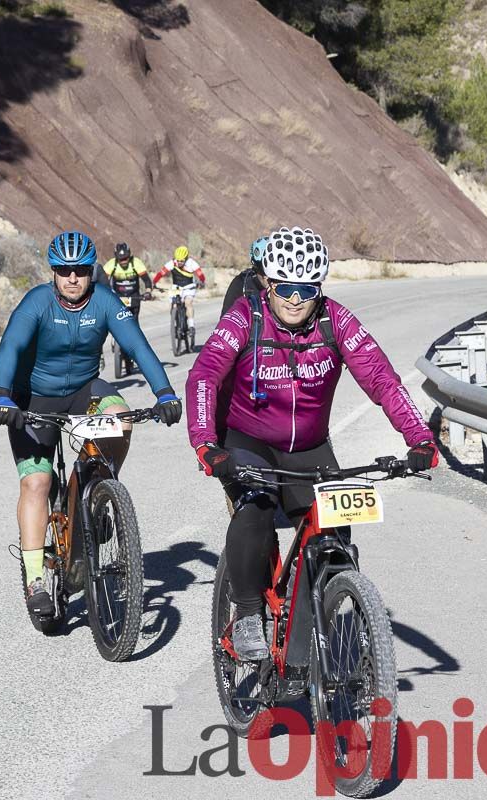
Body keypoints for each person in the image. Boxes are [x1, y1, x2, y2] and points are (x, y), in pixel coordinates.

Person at [185, 226, 440, 660]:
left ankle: (318, 618)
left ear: (318, 287)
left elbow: (382, 380)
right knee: (257, 506)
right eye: (285, 287)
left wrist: (419, 438)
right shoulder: (244, 317)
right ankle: (247, 613)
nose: (295, 299)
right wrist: (207, 444)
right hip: (248, 440)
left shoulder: (335, 320)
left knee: (335, 526)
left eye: (306, 289)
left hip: (310, 446)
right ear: (267, 281)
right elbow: (204, 376)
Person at [0, 231, 183, 624]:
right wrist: (2, 396)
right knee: (37, 483)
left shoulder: (104, 302)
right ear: (54, 273)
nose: (73, 279)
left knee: (121, 419)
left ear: (91, 272)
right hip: (34, 398)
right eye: (64, 271)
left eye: (80, 271)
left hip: (83, 390)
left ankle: (98, 486)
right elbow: (10, 347)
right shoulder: (37, 303)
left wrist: (164, 393)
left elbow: (138, 347)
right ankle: (35, 582)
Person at [152, 245, 206, 332]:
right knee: (173, 305)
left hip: (189, 286)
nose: (179, 262)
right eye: (178, 260)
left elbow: (200, 274)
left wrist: (202, 282)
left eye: (182, 261)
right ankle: (177, 321)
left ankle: (191, 326)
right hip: (177, 287)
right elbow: (161, 273)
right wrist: (154, 282)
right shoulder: (172, 263)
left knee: (188, 303)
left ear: (186, 258)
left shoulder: (192, 263)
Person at [101, 242, 152, 319]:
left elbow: (147, 280)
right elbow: (101, 281)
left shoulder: (136, 263)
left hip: (134, 297)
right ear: (116, 258)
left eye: (126, 258)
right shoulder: (112, 264)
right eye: (121, 259)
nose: (123, 261)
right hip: (117, 298)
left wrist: (148, 292)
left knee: (134, 323)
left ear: (129, 256)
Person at [221, 236, 269, 316]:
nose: (267, 276)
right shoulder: (241, 283)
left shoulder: (289, 285)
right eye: (262, 269)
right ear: (255, 268)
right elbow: (226, 319)